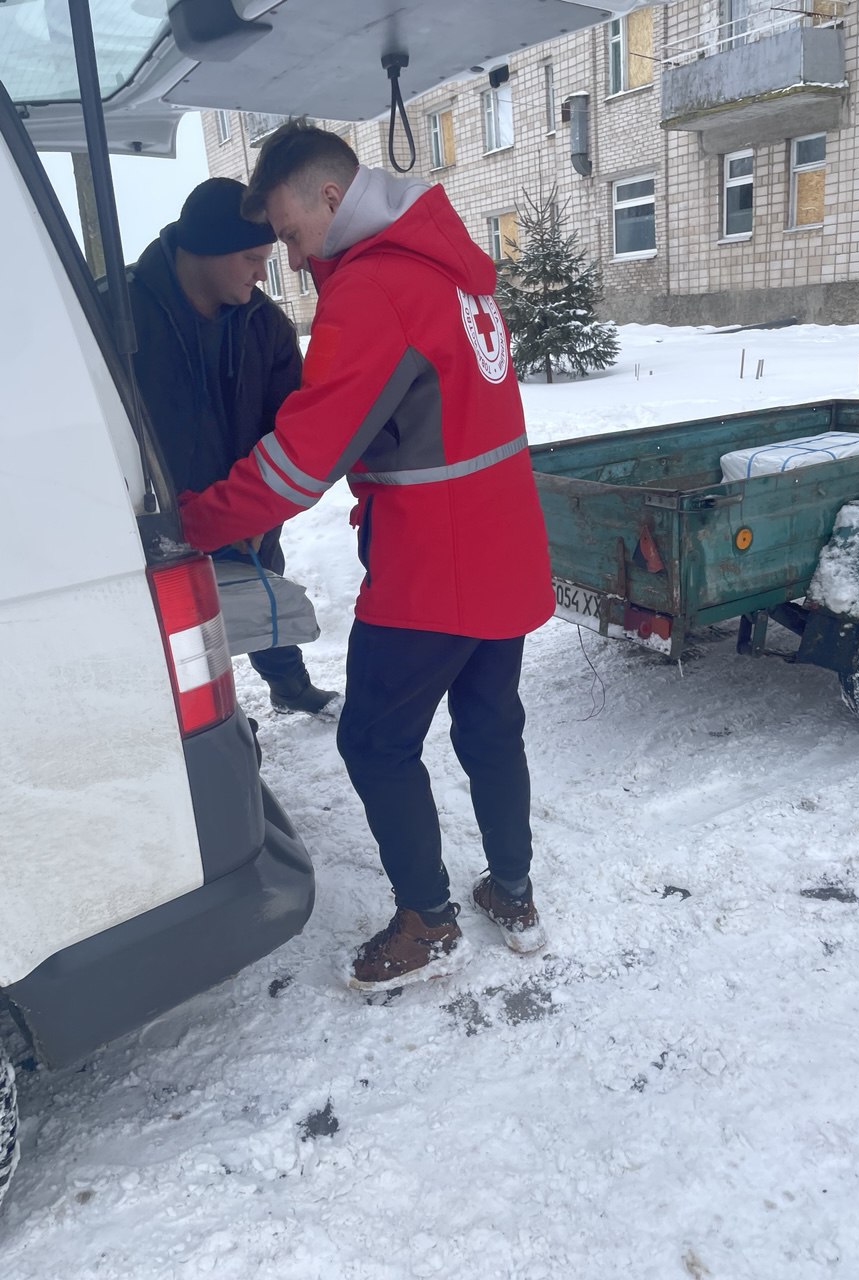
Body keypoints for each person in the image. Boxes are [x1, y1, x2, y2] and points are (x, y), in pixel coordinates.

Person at [177, 123, 556, 991]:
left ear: (331, 200)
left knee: (376, 740)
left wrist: (191, 524)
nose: (293, 259)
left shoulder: (375, 289)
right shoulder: (449, 266)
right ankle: (514, 893)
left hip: (434, 569)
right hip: (504, 554)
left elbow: (298, 463)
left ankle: (428, 920)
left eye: (293, 235)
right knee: (491, 725)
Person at [128, 177, 337, 716]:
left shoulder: (265, 325)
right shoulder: (121, 314)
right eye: (250, 257)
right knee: (180, 628)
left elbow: (286, 426)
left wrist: (262, 509)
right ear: (205, 249)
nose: (262, 272)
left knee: (261, 589)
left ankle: (288, 683)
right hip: (157, 518)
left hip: (243, 507)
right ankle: (214, 723)